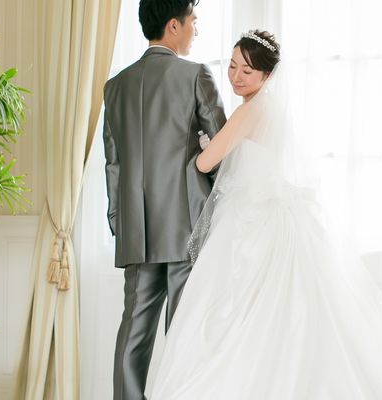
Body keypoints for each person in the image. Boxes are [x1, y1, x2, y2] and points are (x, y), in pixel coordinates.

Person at [149, 30, 382, 400]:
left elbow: (205, 163)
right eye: (231, 66)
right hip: (277, 217)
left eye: (247, 70)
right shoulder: (274, 109)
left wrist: (202, 143)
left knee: (240, 318)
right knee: (284, 320)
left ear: (267, 75)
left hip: (251, 222)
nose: (235, 76)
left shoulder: (248, 111)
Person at [102, 1, 226, 399]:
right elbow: (222, 149)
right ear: (174, 25)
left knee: (133, 331)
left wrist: (120, 222)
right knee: (185, 332)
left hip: (137, 230)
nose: (195, 31)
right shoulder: (194, 75)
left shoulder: (115, 86)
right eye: (193, 22)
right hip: (188, 225)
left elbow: (113, 164)